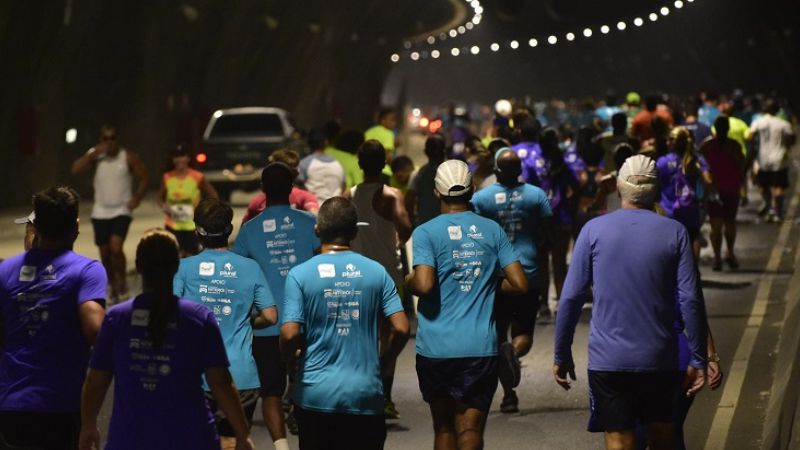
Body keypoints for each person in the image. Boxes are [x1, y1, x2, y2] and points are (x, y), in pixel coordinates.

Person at [554, 155, 708, 450]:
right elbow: (690, 298)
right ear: (654, 188)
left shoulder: (593, 231)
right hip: (659, 358)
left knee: (618, 440)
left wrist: (562, 353)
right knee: (663, 435)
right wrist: (699, 358)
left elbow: (571, 297)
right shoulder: (675, 232)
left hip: (607, 360)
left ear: (619, 188)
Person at [79, 230, 255, 450]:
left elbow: (96, 381)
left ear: (139, 266)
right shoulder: (198, 318)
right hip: (191, 438)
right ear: (176, 266)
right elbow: (219, 381)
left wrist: (88, 425)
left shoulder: (117, 319)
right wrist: (242, 434)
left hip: (130, 439)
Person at [406, 160, 527, 450]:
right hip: (479, 348)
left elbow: (423, 284)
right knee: (471, 428)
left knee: (444, 428)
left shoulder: (426, 232)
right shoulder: (491, 230)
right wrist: (489, 281)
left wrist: (407, 280)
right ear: (471, 190)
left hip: (435, 348)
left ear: (436, 193)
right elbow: (520, 283)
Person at [280, 197, 410, 450]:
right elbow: (402, 328)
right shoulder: (376, 272)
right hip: (365, 393)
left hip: (315, 394)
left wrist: (291, 364)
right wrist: (382, 363)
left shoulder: (300, 274)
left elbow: (288, 334)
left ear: (317, 229)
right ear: (354, 231)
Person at [0, 186, 107, 449]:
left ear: (35, 227)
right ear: (76, 226)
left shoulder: (5, 271)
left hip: (10, 405)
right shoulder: (87, 271)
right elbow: (96, 330)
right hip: (62, 405)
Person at [174, 199, 278, 448]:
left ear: (197, 230)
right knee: (234, 440)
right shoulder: (250, 268)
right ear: (230, 230)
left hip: (195, 376)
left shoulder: (183, 269)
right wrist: (246, 321)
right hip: (242, 377)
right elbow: (271, 316)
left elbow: (171, 316)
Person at [233, 162, 320, 450]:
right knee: (310, 390)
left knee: (270, 393)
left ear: (263, 190)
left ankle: (281, 447)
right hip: (308, 323)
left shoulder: (249, 230)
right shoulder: (310, 223)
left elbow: (237, 272)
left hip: (267, 326)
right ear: (292, 189)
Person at [471, 149, 553, 413]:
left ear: (495, 170)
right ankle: (515, 353)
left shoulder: (481, 199)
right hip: (527, 273)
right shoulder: (536, 195)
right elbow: (546, 233)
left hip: (496, 276)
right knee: (523, 333)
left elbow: (474, 234)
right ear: (520, 170)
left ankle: (508, 395)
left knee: (497, 334)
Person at [346, 140, 412, 419]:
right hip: (387, 275)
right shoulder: (391, 194)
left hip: (356, 275)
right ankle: (384, 395)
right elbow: (406, 225)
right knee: (390, 335)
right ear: (384, 163)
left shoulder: (348, 194)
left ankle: (364, 393)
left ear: (360, 165)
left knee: (364, 334)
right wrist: (397, 242)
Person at [71, 125, 149, 301]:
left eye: (112, 138)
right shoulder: (96, 157)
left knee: (116, 247)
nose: (109, 142)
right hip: (100, 211)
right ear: (101, 140)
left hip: (121, 209)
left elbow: (144, 177)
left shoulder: (127, 157)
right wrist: (93, 154)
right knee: (105, 253)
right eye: (105, 138)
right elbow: (75, 169)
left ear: (117, 139)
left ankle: (121, 280)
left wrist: (137, 197)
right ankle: (111, 284)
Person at [656, 127, 712, 259]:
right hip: (689, 209)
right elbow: (708, 181)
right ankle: (694, 273)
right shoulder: (696, 159)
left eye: (670, 139)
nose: (667, 142)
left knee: (671, 243)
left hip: (668, 210)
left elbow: (654, 182)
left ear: (674, 142)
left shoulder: (663, 161)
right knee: (693, 237)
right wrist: (704, 199)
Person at [701, 117, 746, 270]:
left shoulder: (707, 146)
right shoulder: (734, 146)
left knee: (716, 226)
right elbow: (741, 167)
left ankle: (718, 257)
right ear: (727, 129)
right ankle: (730, 252)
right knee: (730, 222)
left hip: (714, 190)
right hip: (731, 189)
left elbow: (700, 167)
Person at [158, 145, 219, 257]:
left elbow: (213, 195)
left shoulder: (197, 176)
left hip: (192, 225)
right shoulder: (167, 177)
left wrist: (205, 212)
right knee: (174, 256)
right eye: (176, 156)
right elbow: (159, 198)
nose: (179, 159)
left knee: (191, 256)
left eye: (182, 156)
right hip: (173, 224)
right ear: (173, 159)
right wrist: (164, 206)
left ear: (188, 158)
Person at [241, 149, 320, 223]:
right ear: (296, 173)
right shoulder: (306, 197)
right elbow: (314, 216)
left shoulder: (257, 202)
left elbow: (244, 230)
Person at [750, 99, 796, 222]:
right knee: (779, 186)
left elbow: (750, 135)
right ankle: (778, 212)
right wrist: (786, 146)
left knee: (763, 185)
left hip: (763, 158)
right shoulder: (783, 123)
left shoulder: (759, 122)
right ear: (777, 110)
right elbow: (792, 138)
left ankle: (770, 207)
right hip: (779, 158)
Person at [406, 134, 447, 227]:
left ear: (425, 152)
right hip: (447, 225)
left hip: (424, 223)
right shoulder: (452, 172)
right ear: (444, 152)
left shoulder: (418, 174)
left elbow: (409, 200)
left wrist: (412, 221)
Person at [298, 129, 346, 203]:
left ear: (308, 143)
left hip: (313, 210)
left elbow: (298, 188)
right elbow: (343, 187)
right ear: (326, 142)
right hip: (336, 210)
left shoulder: (304, 163)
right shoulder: (338, 164)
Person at [325, 123, 364, 189]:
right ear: (357, 146)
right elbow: (360, 187)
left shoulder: (325, 151)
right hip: (342, 197)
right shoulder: (353, 162)